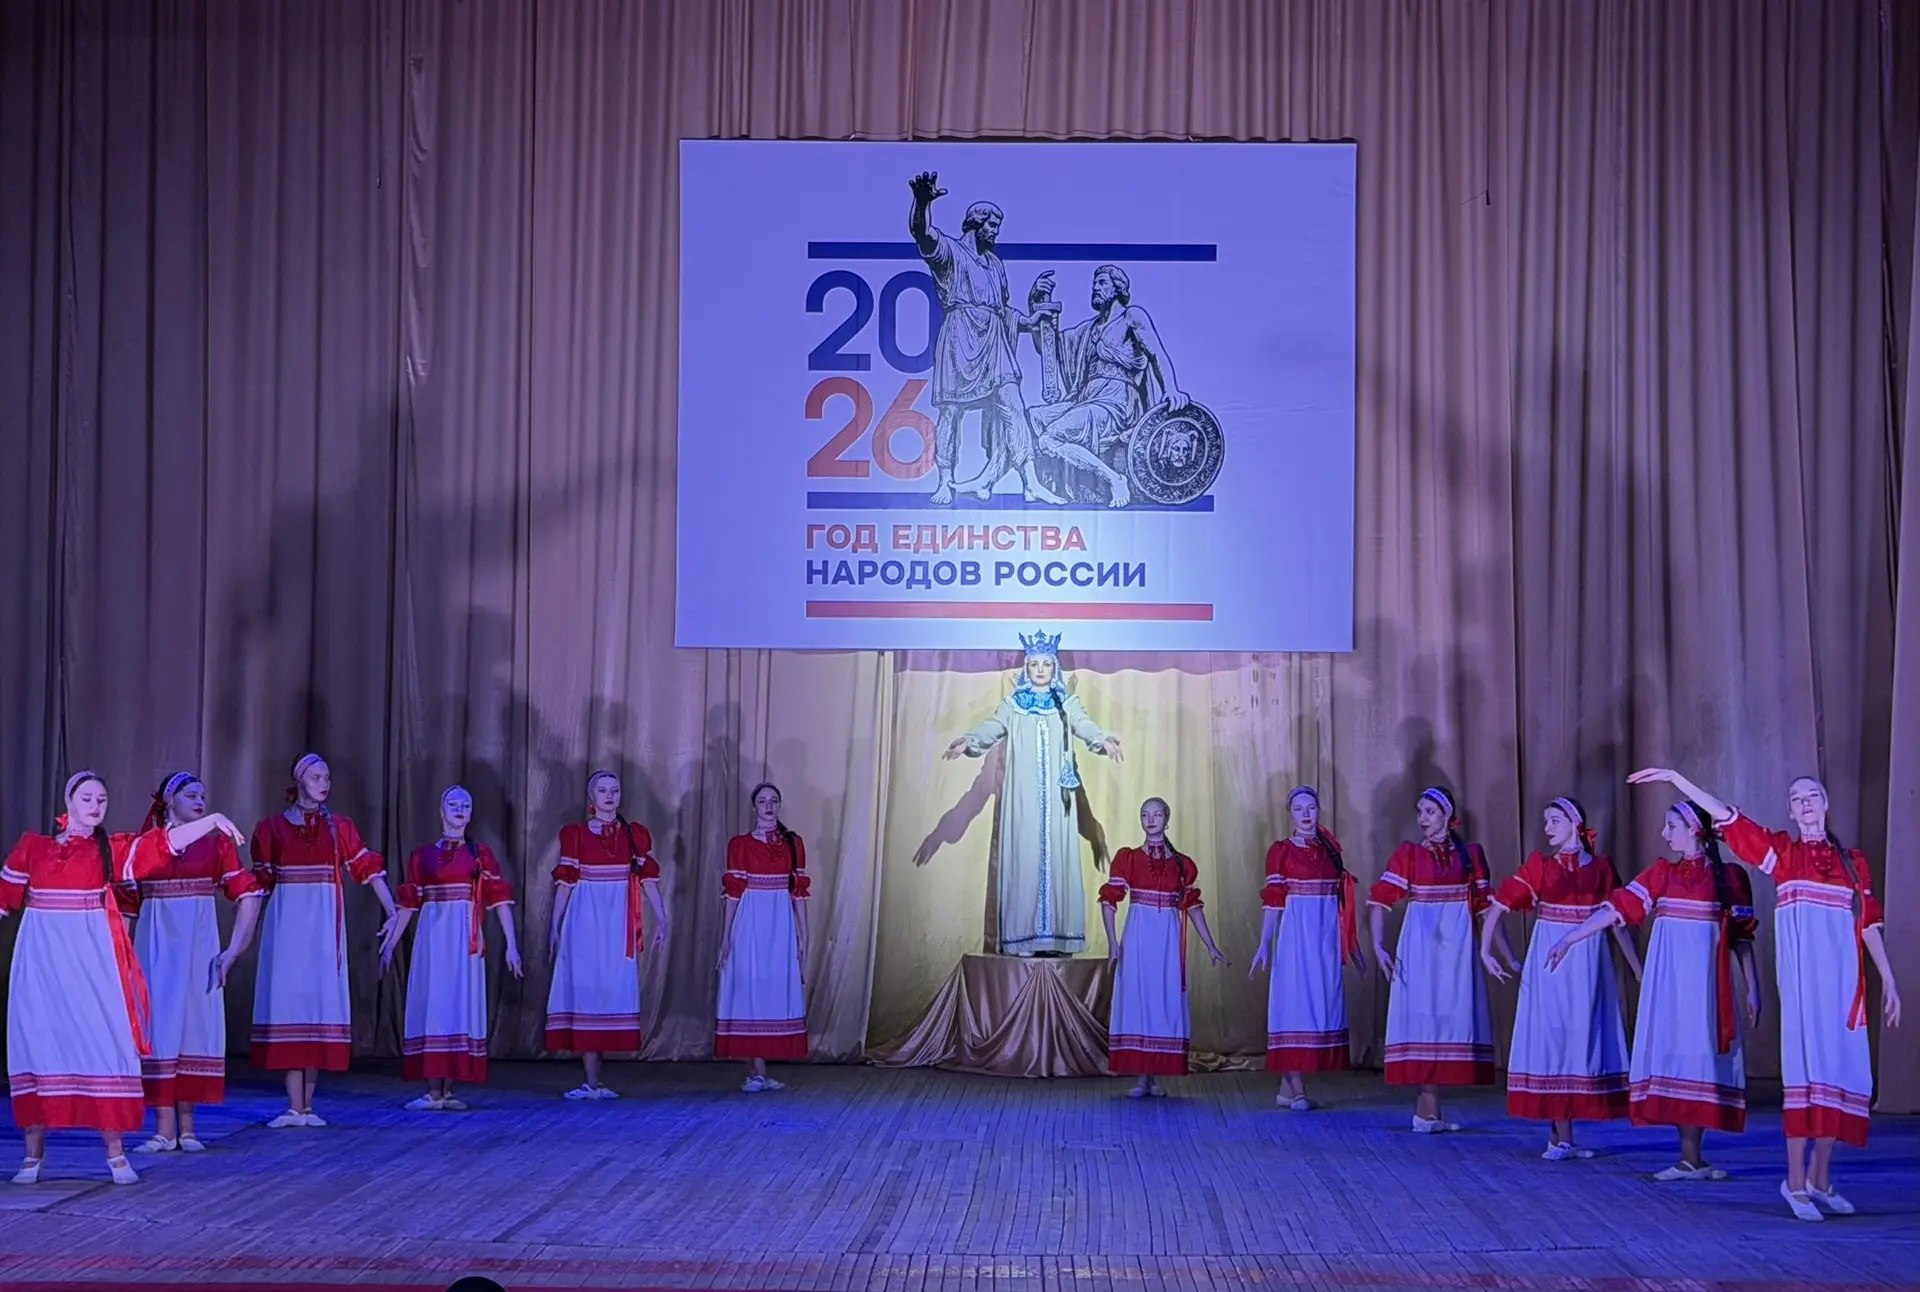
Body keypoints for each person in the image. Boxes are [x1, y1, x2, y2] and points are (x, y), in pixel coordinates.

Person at [1626, 767, 1902, 1220]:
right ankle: (1794, 1182)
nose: (1805, 803)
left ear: (1826, 803)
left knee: (1840, 1074)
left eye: (1812, 795)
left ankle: (1820, 1179)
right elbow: (1727, 817)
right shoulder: (1783, 855)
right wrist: (1678, 780)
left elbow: (1868, 923)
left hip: (1843, 984)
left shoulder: (1853, 863)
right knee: (1807, 1075)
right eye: (1796, 798)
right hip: (1805, 987)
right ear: (1790, 811)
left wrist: (1888, 978)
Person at [4, 771, 247, 1185]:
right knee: (38, 1045)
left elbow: (163, 844)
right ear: (68, 801)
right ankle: (32, 1158)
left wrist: (211, 821)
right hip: (41, 967)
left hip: (92, 967)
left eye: (101, 799)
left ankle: (116, 1156)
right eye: (87, 798)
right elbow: (4, 899)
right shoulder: (34, 848)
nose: (95, 805)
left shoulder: (111, 850)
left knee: (104, 1046)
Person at [1547, 799, 1760, 1181]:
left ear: (1694, 830)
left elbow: (1741, 939)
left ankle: (1694, 1159)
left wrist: (1752, 987)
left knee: (1702, 1060)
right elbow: (1614, 910)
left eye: (1671, 826)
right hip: (1671, 986)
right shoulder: (1662, 874)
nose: (1664, 834)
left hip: (1707, 987)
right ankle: (1689, 1158)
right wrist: (1571, 937)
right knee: (1677, 1058)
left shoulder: (1729, 878)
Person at [942, 628, 1122, 956]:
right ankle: (1023, 937)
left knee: (1057, 857)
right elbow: (991, 727)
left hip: (1058, 800)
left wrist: (1102, 739)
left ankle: (1056, 938)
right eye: (1035, 664)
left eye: (1046, 664)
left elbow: (1084, 725)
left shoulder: (1066, 704)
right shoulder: (1013, 705)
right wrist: (968, 741)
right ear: (1027, 668)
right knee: (1024, 857)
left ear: (1055, 668)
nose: (1040, 670)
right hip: (1023, 800)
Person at [1481, 796, 1639, 1159]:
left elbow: (1616, 921)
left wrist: (1636, 967)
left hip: (1589, 960)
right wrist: (1486, 951)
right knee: (1553, 1036)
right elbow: (1498, 907)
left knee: (1582, 1037)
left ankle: (1564, 1137)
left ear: (1574, 823)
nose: (1547, 827)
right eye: (1546, 821)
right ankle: (1560, 1135)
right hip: (1551, 959)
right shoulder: (1541, 866)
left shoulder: (1601, 868)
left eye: (1554, 820)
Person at [249, 753, 397, 1128]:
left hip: (322, 928)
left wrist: (392, 910)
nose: (324, 783)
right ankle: (292, 1106)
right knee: (289, 1004)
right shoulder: (272, 829)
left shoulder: (338, 827)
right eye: (316, 777)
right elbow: (260, 885)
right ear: (299, 780)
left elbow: (366, 868)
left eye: (327, 777)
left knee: (318, 1004)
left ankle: (307, 1107)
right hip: (287, 927)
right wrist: (244, 933)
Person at [123, 772, 265, 1153]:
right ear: (170, 801)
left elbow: (248, 894)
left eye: (203, 795)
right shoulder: (147, 844)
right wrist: (121, 961)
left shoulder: (217, 845)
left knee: (194, 1026)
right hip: (157, 948)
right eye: (191, 795)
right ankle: (163, 1129)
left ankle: (187, 1128)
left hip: (199, 948)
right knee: (161, 1026)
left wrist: (233, 951)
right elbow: (126, 908)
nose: (200, 800)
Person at [907, 170, 1062, 504]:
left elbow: (1002, 311)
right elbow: (922, 234)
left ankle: (1030, 481)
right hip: (960, 337)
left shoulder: (994, 264)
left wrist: (1028, 321)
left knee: (1014, 405)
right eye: (992, 226)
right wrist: (922, 203)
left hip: (993, 342)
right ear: (975, 224)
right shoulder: (950, 252)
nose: (995, 232)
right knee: (951, 412)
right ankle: (945, 481)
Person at [1367, 787, 1505, 1133]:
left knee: (1448, 1017)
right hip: (1422, 945)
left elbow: (1486, 907)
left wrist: (1504, 953)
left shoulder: (1470, 854)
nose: (1423, 818)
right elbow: (1380, 899)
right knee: (1424, 1016)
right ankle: (1426, 1110)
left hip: (1457, 947)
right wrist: (1378, 945)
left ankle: (1430, 1112)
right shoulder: (1410, 854)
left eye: (1430, 811)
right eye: (1420, 811)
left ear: (1447, 815)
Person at [380, 786, 522, 1110]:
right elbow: (409, 904)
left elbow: (499, 900)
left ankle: (447, 1090)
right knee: (436, 1002)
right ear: (442, 812)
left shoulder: (480, 854)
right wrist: (390, 945)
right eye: (454, 804)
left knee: (459, 1003)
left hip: (465, 939)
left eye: (466, 805)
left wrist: (511, 946)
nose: (460, 809)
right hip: (434, 939)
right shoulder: (423, 855)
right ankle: (433, 1091)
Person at [544, 770, 668, 1098]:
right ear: (592, 797)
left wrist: (662, 916)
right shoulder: (575, 834)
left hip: (618, 922)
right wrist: (554, 925)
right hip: (585, 919)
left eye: (614, 790)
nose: (609, 796)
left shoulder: (634, 834)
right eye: (602, 790)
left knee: (611, 989)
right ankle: (591, 1081)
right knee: (587, 989)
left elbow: (648, 879)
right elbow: (565, 883)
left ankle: (597, 1080)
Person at [1025, 264, 1190, 507]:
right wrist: (1036, 307)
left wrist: (1171, 389)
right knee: (1031, 418)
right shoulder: (1089, 329)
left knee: (1050, 439)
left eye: (1102, 282)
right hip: (1087, 398)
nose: (1095, 287)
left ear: (1118, 288)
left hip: (1116, 403)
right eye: (1094, 283)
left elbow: (1156, 353)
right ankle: (1032, 485)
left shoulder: (1131, 316)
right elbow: (1050, 350)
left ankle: (1115, 479)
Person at [1099, 797, 1228, 1097]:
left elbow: (1192, 906)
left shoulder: (1181, 864)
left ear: (1166, 820)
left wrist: (1210, 945)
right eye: (1145, 814)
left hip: (1167, 937)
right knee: (1138, 997)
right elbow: (1109, 899)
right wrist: (1113, 942)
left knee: (1162, 998)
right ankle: (1142, 1077)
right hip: (1139, 935)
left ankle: (1154, 1076)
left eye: (1157, 814)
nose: (1151, 819)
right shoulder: (1129, 858)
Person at [1250, 786, 1367, 1108]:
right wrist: (1264, 942)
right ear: (1290, 814)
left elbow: (1344, 903)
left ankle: (1287, 1090)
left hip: (1324, 937)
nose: (1305, 814)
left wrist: (1352, 946)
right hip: (1297, 937)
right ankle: (1296, 1087)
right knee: (1294, 1004)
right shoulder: (1281, 852)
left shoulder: (1331, 850)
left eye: (1311, 808)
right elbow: (1274, 901)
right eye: (1299, 809)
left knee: (1321, 1004)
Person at [716, 782, 809, 1090]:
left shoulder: (793, 844)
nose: (769, 806)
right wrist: (726, 937)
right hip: (750, 921)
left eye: (774, 800)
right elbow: (733, 895)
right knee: (750, 988)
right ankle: (754, 1072)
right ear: (754, 807)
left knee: (772, 988)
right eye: (762, 801)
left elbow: (799, 893)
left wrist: (804, 935)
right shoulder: (740, 845)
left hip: (780, 923)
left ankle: (761, 1072)